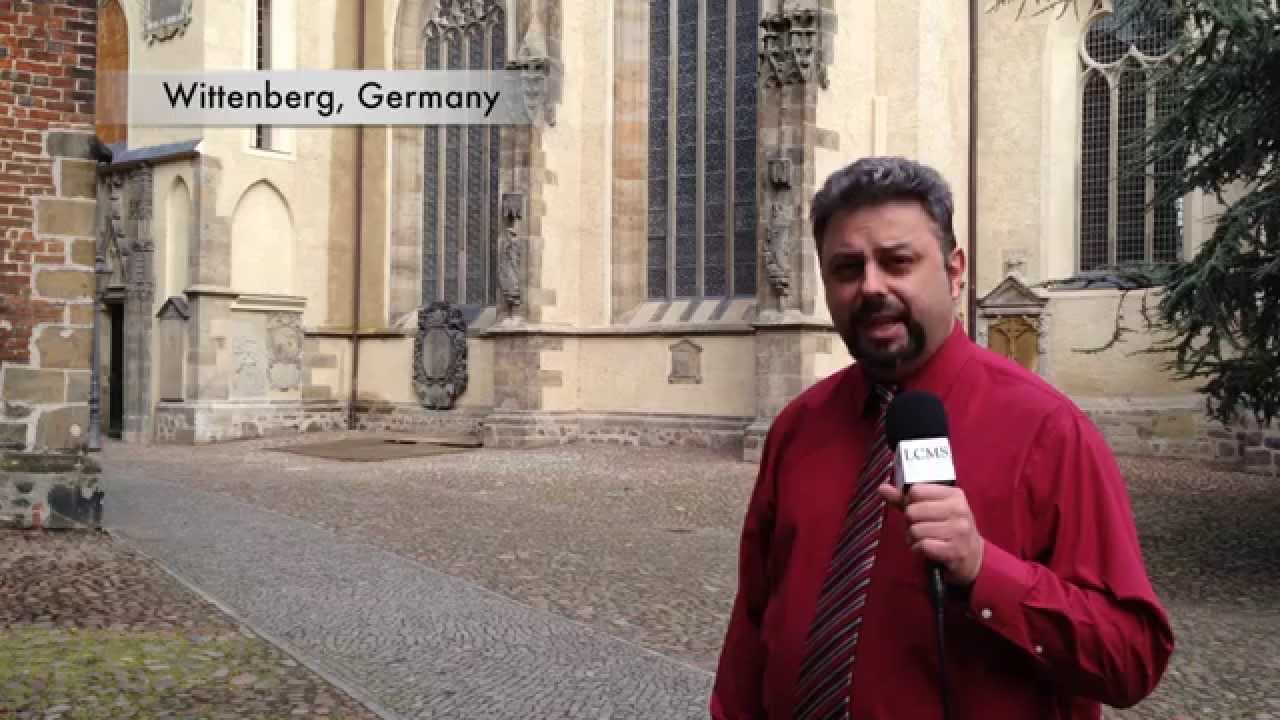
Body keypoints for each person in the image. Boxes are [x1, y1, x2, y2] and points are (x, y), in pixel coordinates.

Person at [710, 156, 1173, 720]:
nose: (871, 287)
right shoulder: (798, 428)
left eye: (898, 262)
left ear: (954, 272)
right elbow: (755, 620)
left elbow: (1132, 658)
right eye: (847, 268)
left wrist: (984, 569)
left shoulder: (1049, 432)